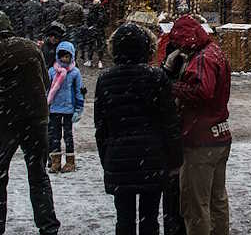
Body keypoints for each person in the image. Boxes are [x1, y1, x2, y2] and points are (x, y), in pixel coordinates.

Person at [0, 12, 60, 235]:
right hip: (36, 118)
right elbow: (46, 81)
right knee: (38, 173)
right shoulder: (31, 48)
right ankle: (48, 225)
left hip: (5, 120)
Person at [95, 23, 183, 235]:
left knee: (123, 219)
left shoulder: (105, 80)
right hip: (152, 157)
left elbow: (101, 126)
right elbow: (169, 121)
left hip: (119, 158)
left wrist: (106, 158)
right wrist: (175, 159)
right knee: (149, 218)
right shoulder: (156, 77)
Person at [168, 15, 231, 235]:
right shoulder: (216, 51)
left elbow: (202, 91)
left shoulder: (203, 58)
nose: (178, 46)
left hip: (200, 139)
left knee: (196, 205)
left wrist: (173, 86)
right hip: (220, 134)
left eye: (179, 41)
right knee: (217, 199)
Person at [47, 41, 85, 174]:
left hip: (69, 109)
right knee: (54, 136)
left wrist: (79, 108)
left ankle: (70, 162)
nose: (64, 59)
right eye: (62, 56)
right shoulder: (52, 71)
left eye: (67, 57)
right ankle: (55, 161)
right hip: (54, 108)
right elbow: (47, 89)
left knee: (68, 136)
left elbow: (79, 91)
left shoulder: (74, 73)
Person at [86, 0, 109, 68]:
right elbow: (105, 20)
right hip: (100, 30)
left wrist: (91, 26)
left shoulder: (91, 10)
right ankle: (100, 62)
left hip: (92, 30)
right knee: (100, 46)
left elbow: (88, 19)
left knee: (91, 45)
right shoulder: (103, 10)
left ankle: (89, 61)